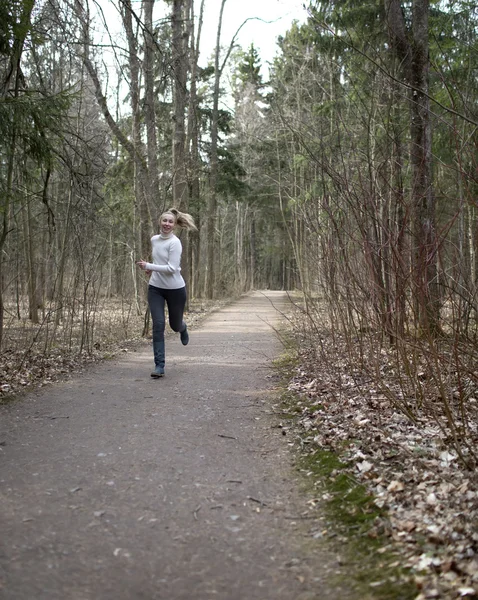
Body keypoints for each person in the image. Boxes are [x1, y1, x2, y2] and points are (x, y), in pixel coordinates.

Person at [136, 208, 197, 378]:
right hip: (155, 288)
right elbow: (159, 261)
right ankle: (159, 366)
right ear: (159, 222)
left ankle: (182, 327)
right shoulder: (154, 240)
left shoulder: (175, 243)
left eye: (170, 221)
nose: (167, 224)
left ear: (175, 224)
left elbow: (172, 269)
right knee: (158, 325)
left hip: (175, 290)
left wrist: (149, 266)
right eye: (164, 221)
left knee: (174, 325)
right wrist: (152, 270)